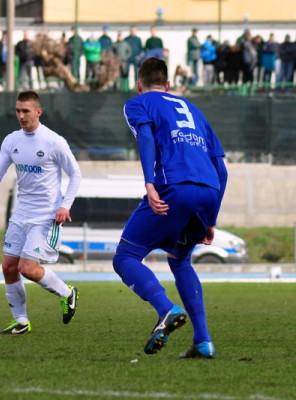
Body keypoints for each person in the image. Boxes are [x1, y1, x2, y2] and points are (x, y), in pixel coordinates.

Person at [116, 58, 227, 358]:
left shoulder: (138, 104)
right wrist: (211, 218)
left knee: (125, 256)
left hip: (173, 188)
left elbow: (147, 136)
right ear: (168, 85)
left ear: (139, 85)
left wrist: (150, 183)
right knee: (180, 261)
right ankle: (203, 342)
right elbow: (222, 168)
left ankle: (166, 309)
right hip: (209, 192)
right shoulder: (194, 110)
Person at [0, 90, 81, 335]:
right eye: (18, 111)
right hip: (21, 213)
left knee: (28, 268)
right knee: (8, 267)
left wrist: (65, 205)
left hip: (46, 216)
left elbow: (75, 174)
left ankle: (67, 294)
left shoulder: (54, 141)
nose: (21, 116)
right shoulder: (11, 140)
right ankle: (21, 321)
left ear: (38, 112)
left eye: (26, 111)